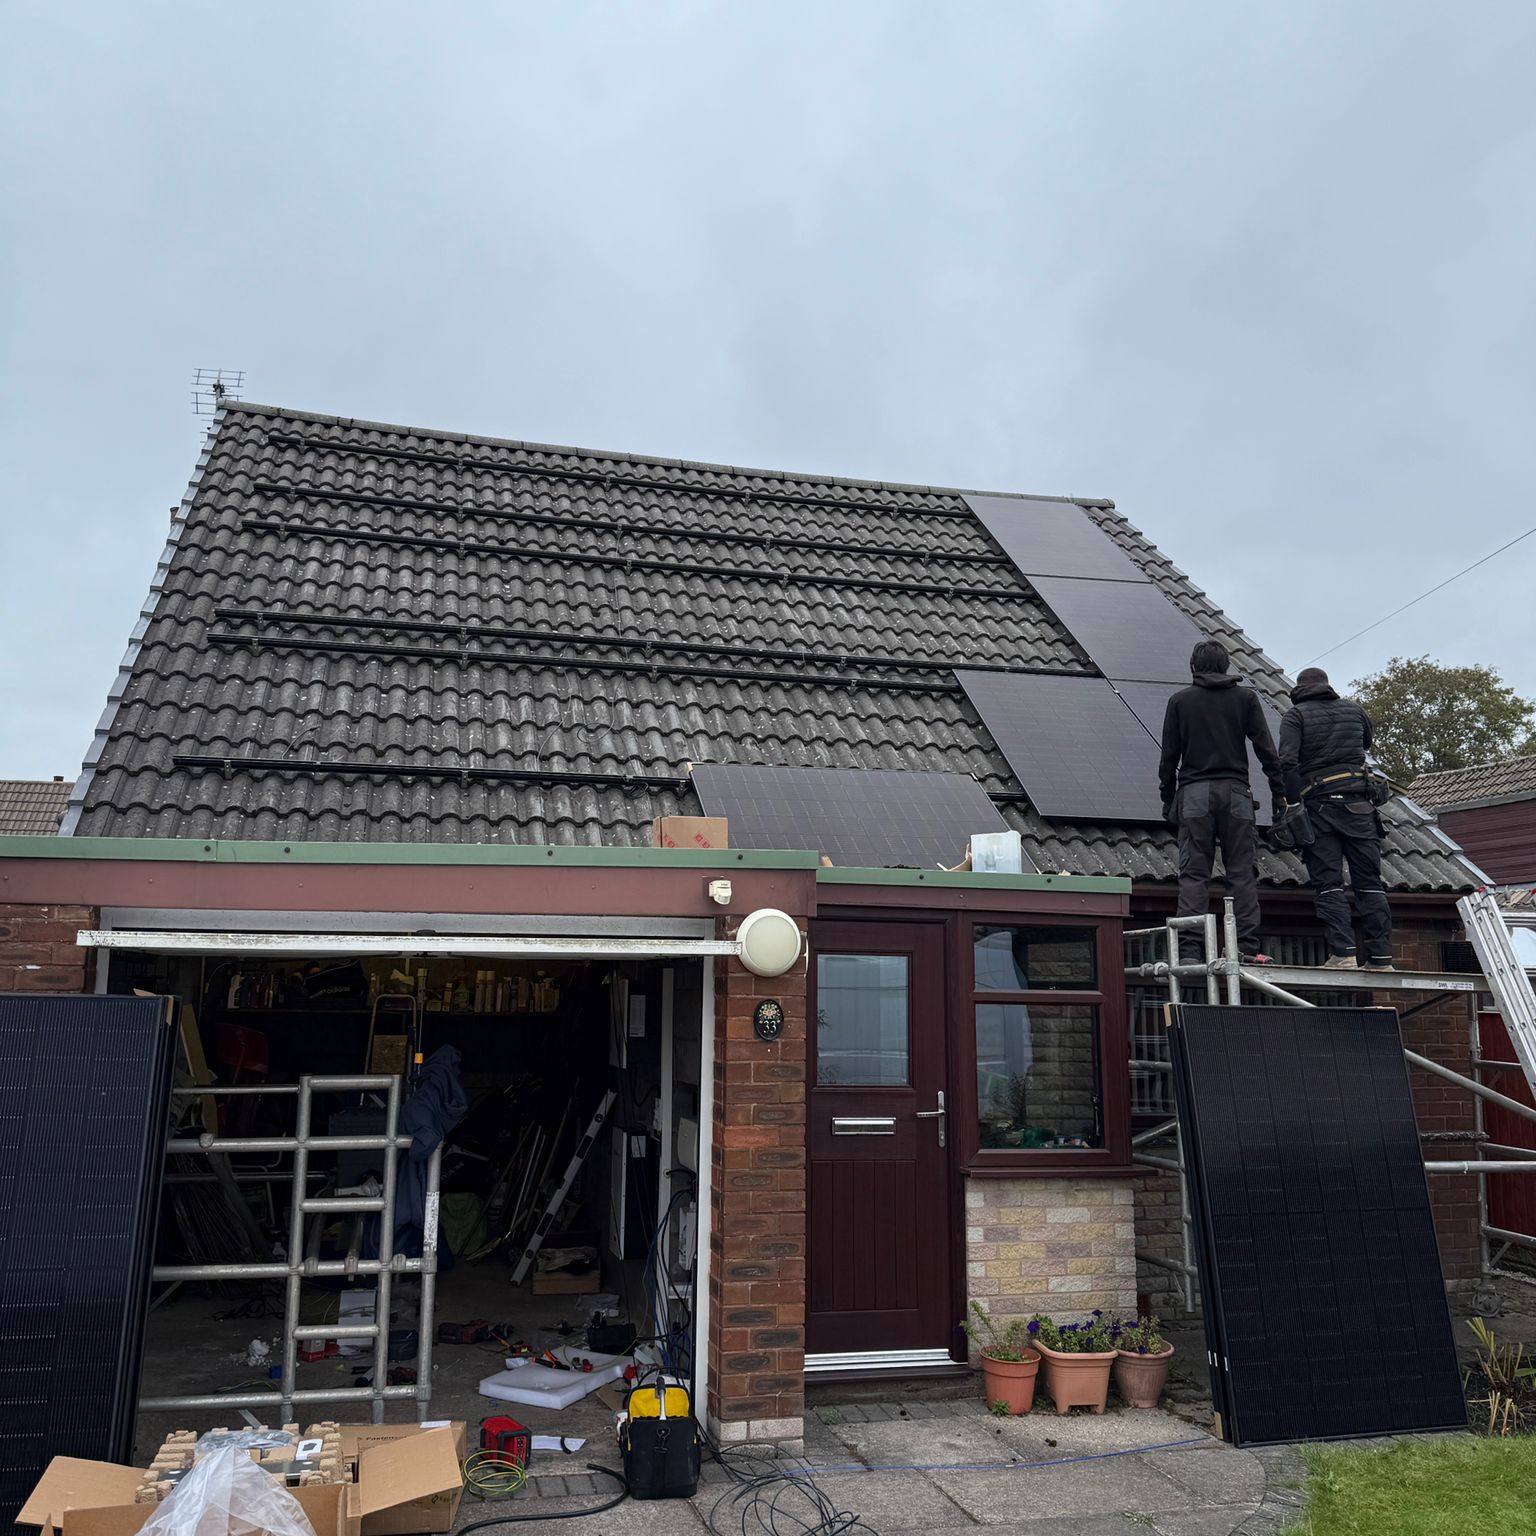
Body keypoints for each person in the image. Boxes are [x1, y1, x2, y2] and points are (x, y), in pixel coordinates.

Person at [1158, 640, 1286, 963]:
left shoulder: (1180, 702)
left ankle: (1189, 952)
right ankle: (1245, 947)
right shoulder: (1245, 699)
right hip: (1237, 795)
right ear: (1227, 666)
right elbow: (1267, 751)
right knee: (1242, 873)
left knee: (1193, 875)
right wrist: (1279, 793)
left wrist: (1168, 799)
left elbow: (1169, 757)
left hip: (1194, 794)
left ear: (1193, 667)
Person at [1278, 666, 1393, 971]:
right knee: (1370, 884)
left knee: (1328, 883)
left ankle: (1343, 954)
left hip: (1321, 809)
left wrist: (1291, 803)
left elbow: (1287, 761)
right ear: (1327, 686)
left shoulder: (1296, 716)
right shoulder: (1354, 710)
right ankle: (1381, 958)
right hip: (1361, 808)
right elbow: (1365, 744)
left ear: (1298, 691)